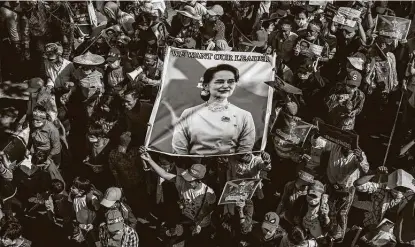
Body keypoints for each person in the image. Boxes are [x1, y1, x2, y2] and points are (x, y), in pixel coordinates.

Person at [172, 64, 256, 155]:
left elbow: (244, 154)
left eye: (231, 82)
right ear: (206, 86)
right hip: (193, 167)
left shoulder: (244, 116)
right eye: (219, 82)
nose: (226, 86)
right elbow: (179, 151)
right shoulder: (189, 113)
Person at [140, 148, 216, 247]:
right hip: (184, 220)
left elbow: (209, 210)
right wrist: (149, 159)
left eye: (191, 180)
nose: (187, 181)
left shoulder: (209, 193)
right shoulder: (182, 181)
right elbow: (164, 174)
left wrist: (199, 224)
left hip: (200, 224)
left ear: (199, 180)